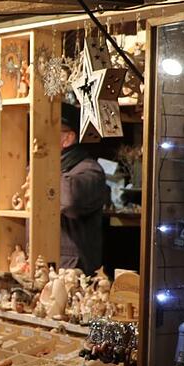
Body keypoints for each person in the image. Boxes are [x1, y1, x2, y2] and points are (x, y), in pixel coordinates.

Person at [59, 103, 108, 272]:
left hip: (72, 271)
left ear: (68, 138)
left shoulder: (90, 170)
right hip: (39, 263)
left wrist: (44, 168)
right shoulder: (36, 168)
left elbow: (69, 200)